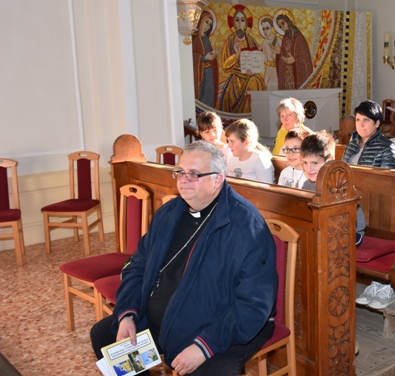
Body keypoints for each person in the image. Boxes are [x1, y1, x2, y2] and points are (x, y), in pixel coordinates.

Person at [90, 141, 278, 376]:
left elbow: (254, 303)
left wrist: (203, 347)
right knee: (104, 336)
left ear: (218, 180)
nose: (184, 180)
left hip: (218, 328)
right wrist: (128, 313)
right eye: (180, 172)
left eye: (194, 174)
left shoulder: (246, 226)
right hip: (162, 319)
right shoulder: (169, 213)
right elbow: (137, 265)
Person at [217, 6, 266, 113]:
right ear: (234, 24)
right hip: (237, 76)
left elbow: (257, 62)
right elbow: (225, 66)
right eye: (237, 20)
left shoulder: (251, 40)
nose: (240, 24)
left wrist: (254, 67)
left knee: (256, 82)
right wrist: (236, 55)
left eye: (242, 20)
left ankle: (255, 115)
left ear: (246, 24)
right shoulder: (230, 41)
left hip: (250, 75)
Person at [342, 100, 395, 169]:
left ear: (377, 123)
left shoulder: (387, 148)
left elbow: (387, 175)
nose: (361, 125)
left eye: (366, 120)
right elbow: (342, 171)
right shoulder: (351, 145)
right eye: (358, 120)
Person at [276, 13, 313, 89]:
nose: (282, 27)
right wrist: (279, 53)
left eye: (283, 23)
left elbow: (305, 58)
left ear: (288, 22)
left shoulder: (298, 37)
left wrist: (295, 60)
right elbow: (283, 54)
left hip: (296, 75)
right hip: (287, 75)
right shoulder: (285, 38)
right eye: (280, 26)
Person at [193, 11, 220, 109]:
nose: (207, 26)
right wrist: (204, 58)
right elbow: (192, 56)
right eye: (206, 22)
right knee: (201, 95)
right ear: (201, 21)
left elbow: (209, 53)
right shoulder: (194, 38)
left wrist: (214, 53)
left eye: (210, 24)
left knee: (209, 96)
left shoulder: (206, 39)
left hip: (208, 73)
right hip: (200, 74)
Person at [259, 16, 281, 90]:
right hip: (268, 69)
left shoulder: (277, 40)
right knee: (265, 85)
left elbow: (285, 53)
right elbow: (265, 59)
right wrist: (261, 52)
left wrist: (278, 52)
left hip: (276, 69)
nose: (265, 31)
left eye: (267, 28)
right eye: (263, 29)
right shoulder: (265, 42)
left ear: (272, 28)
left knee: (273, 87)